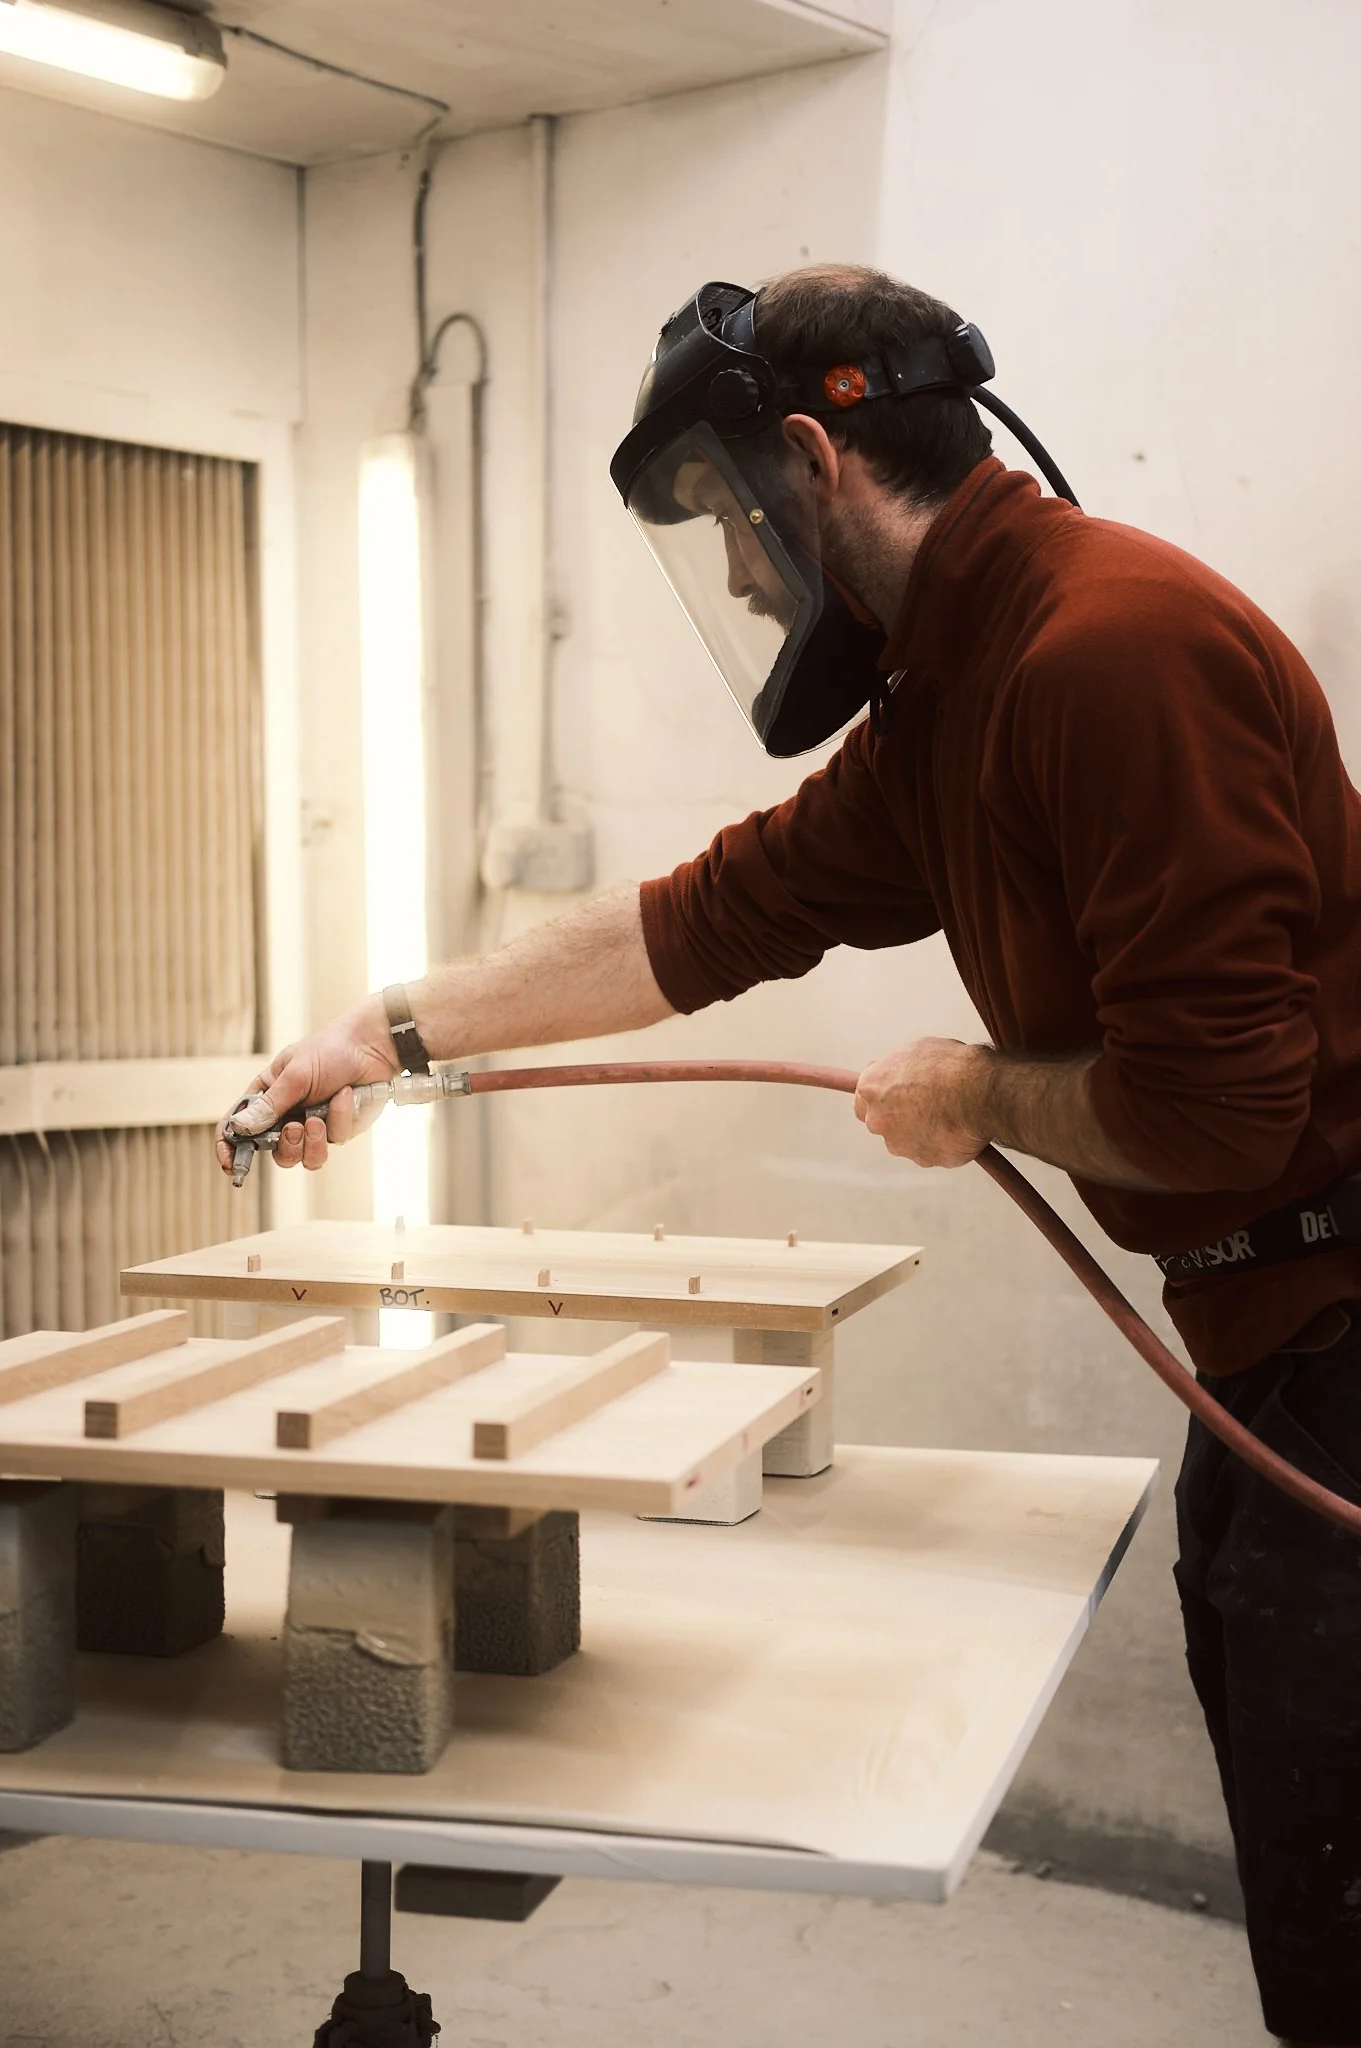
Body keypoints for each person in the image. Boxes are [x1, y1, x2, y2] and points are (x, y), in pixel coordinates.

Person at [220, 265, 1361, 2047]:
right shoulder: (959, 699)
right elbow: (703, 921)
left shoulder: (1110, 651)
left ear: (815, 461)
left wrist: (979, 1093)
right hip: (1278, 1368)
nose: (741, 578)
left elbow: (1226, 1108)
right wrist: (388, 1029)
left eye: (726, 526)